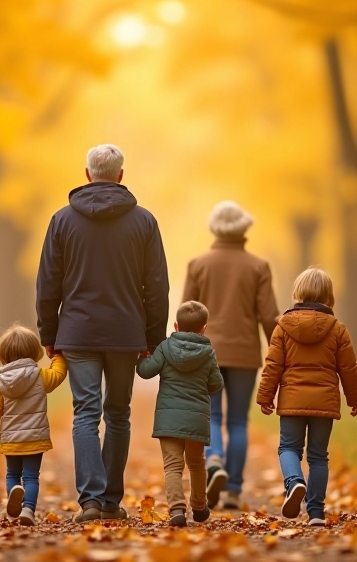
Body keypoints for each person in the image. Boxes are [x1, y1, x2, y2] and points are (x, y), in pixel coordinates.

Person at [37, 144, 170, 523]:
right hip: (127, 333)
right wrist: (153, 337)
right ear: (121, 175)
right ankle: (111, 501)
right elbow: (157, 285)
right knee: (118, 414)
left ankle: (91, 500)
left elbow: (48, 283)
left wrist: (49, 331)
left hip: (77, 332)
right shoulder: (144, 222)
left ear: (87, 173)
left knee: (85, 412)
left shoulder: (62, 221)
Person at [182, 201, 280, 510]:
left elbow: (186, 312)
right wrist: (279, 354)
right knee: (238, 420)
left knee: (212, 415)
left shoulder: (198, 264)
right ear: (243, 228)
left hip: (205, 352)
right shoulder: (258, 266)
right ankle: (234, 490)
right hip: (245, 354)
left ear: (215, 228)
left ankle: (214, 460)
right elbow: (269, 316)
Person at [256, 267, 357, 526]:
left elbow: (273, 365)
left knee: (289, 448)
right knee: (318, 456)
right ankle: (316, 512)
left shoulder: (282, 327)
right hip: (324, 402)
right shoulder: (338, 329)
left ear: (298, 293)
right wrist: (354, 399)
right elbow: (349, 368)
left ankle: (294, 482)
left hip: (292, 401)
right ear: (329, 296)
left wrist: (265, 396)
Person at [137, 301, 224, 527]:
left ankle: (177, 509)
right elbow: (216, 385)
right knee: (196, 464)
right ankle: (199, 506)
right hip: (196, 420)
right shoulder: (208, 353)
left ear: (176, 325)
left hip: (169, 420)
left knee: (173, 466)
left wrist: (142, 357)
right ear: (204, 328)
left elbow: (146, 372)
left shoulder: (165, 348)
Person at [0, 325, 68, 526]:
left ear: (3, 356)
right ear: (34, 353)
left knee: (13, 474)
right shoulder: (39, 376)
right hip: (35, 438)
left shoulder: (1, 382)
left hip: (12, 440)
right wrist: (58, 356)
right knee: (31, 477)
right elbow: (58, 375)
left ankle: (13, 493)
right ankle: (28, 510)